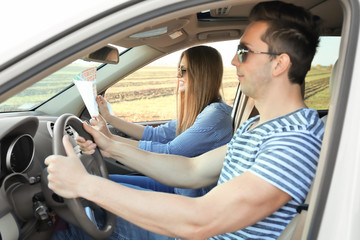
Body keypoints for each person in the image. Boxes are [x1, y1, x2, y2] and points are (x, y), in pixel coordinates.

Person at [45, 1, 325, 239]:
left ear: (279, 64)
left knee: (76, 223)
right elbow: (192, 170)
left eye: (244, 52)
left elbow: (202, 219)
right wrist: (112, 147)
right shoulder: (258, 126)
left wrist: (84, 184)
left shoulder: (295, 140)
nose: (234, 63)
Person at [80, 45, 233, 198]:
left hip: (188, 200)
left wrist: (111, 142)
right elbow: (155, 134)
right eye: (178, 70)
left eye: (183, 70)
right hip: (177, 187)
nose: (178, 75)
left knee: (89, 191)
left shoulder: (215, 115)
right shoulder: (202, 111)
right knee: (97, 181)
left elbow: (170, 152)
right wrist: (110, 119)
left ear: (202, 74)